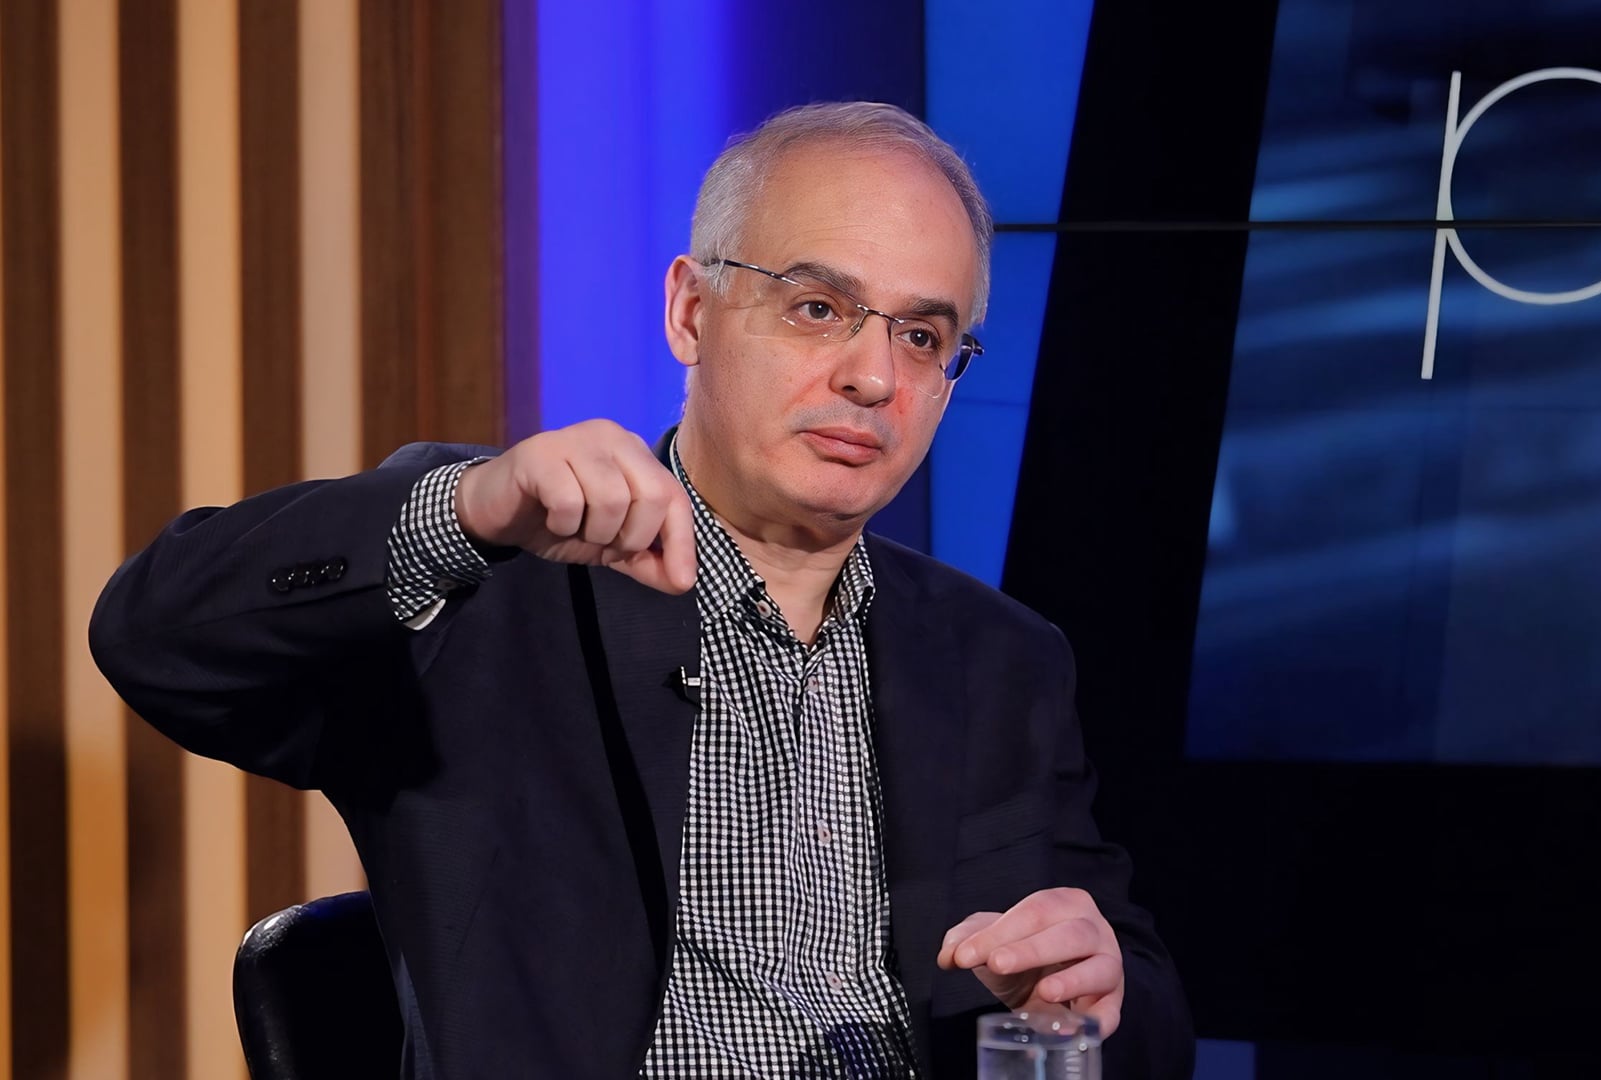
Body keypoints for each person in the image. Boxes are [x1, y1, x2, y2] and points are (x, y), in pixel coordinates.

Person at [90, 101, 1192, 1079]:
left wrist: (1098, 999)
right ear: (690, 312)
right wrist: (466, 510)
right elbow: (157, 638)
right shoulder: (495, 593)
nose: (874, 377)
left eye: (922, 336)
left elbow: (1140, 1013)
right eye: (818, 307)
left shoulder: (1002, 658)